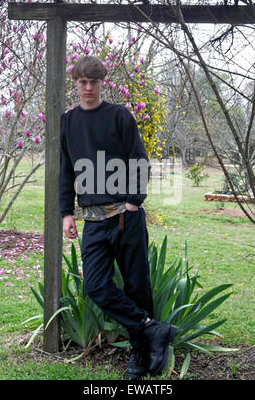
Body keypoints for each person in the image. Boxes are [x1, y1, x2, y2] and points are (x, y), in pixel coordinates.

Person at [58, 56, 177, 379]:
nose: (87, 87)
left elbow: (139, 158)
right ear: (76, 84)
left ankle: (140, 357)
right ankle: (153, 330)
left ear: (102, 83)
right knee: (96, 286)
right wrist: (66, 212)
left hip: (125, 217)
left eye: (93, 82)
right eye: (82, 82)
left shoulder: (119, 116)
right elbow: (66, 170)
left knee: (138, 286)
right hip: (93, 222)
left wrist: (134, 202)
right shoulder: (68, 121)